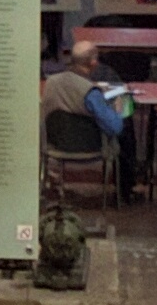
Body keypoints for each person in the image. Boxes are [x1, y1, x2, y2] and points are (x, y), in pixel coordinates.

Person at [44, 33, 141, 201]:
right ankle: (125, 190)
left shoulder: (51, 82)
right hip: (90, 145)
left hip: (55, 142)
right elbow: (115, 128)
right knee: (125, 126)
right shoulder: (90, 93)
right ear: (94, 63)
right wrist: (118, 110)